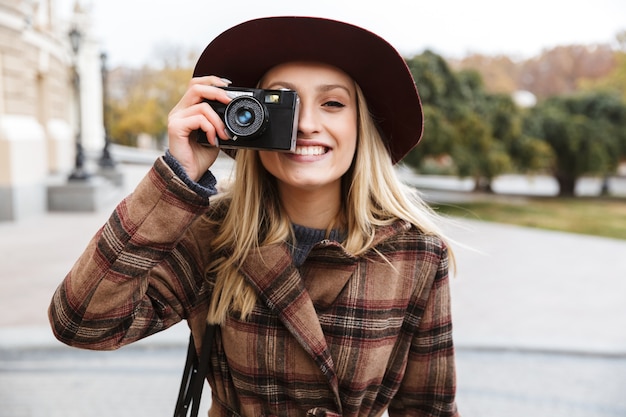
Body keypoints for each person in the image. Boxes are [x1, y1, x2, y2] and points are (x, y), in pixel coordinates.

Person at [49, 16, 460, 417]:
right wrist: (177, 178)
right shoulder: (212, 237)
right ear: (249, 119)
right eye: (283, 103)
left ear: (361, 125)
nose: (306, 125)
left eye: (333, 103)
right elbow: (82, 322)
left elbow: (428, 408)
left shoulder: (416, 254)